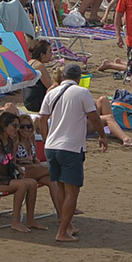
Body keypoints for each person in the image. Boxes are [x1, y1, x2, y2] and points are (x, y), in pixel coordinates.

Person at [34, 62, 94, 243]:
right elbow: (94, 117)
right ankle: (62, 231)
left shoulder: (51, 92)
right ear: (79, 78)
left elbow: (42, 119)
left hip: (52, 147)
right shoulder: (82, 92)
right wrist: (102, 136)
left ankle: (67, 225)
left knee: (60, 187)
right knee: (72, 191)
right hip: (71, 148)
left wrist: (46, 139)